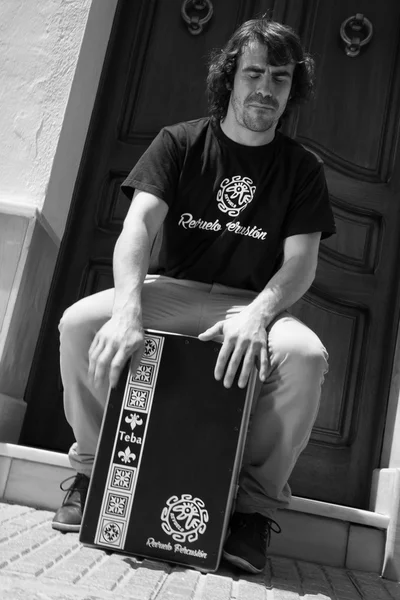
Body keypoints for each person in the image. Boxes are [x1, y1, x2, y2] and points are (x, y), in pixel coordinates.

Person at [52, 17, 335, 574]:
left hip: (249, 304)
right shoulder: (179, 142)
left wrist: (258, 313)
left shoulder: (302, 169)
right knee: (82, 321)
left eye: (280, 78)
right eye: (254, 73)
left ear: (291, 89)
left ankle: (251, 512)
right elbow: (138, 227)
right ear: (230, 78)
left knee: (304, 358)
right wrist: (129, 309)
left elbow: (301, 263)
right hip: (173, 289)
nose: (266, 88)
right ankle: (91, 471)